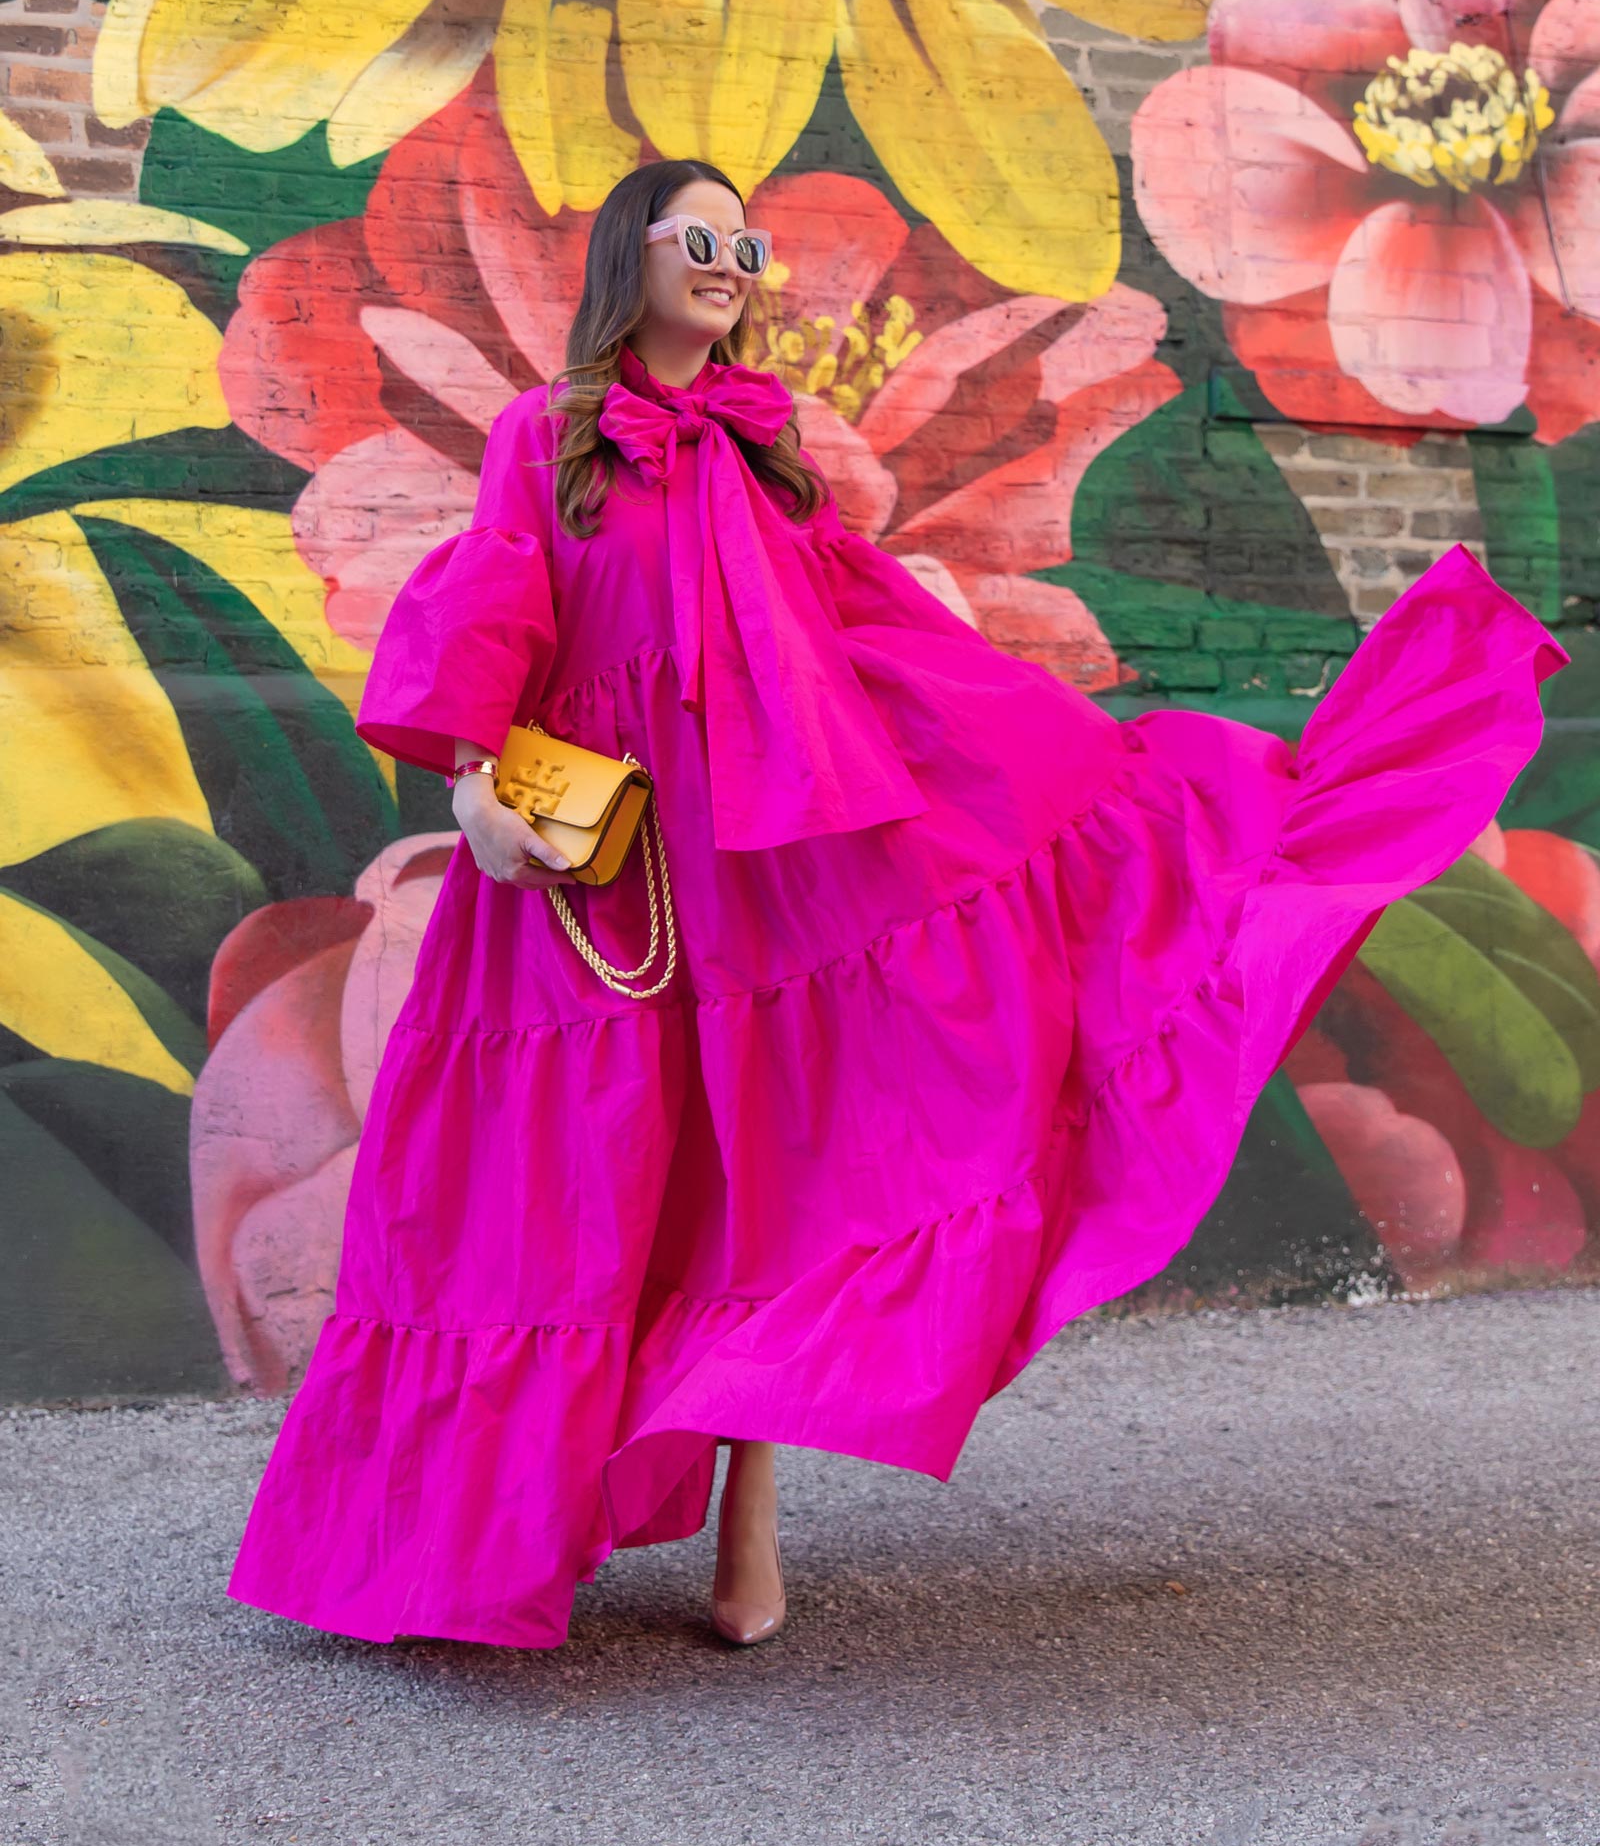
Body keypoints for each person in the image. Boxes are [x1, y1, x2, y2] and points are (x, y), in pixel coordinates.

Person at [228, 156, 1563, 1652]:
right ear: (633, 256)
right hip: (596, 881)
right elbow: (499, 600)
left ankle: (751, 1538)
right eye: (700, 237)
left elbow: (853, 625)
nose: (730, 262)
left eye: (747, 243)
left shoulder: (765, 445)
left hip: (764, 885)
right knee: (570, 1194)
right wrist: (477, 786)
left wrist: (1021, 734)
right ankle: (464, 1546)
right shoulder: (554, 437)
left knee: (772, 1188)